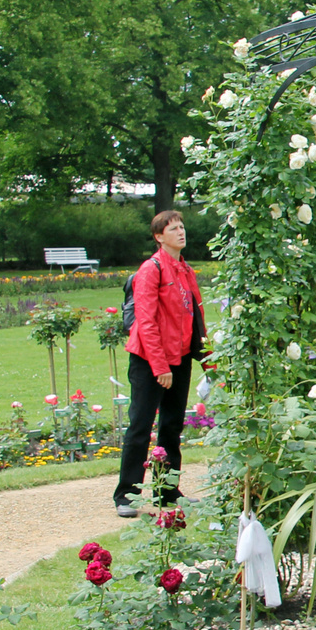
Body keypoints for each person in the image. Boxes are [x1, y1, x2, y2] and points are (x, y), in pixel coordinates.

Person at [114, 211, 205, 517]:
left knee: (171, 426)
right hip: (149, 359)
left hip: (177, 359)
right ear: (158, 236)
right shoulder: (150, 270)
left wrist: (208, 363)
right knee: (140, 425)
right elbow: (146, 322)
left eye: (182, 227)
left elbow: (195, 319)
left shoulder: (185, 270)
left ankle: (168, 492)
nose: (181, 232)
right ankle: (126, 494)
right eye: (173, 229)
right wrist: (159, 366)